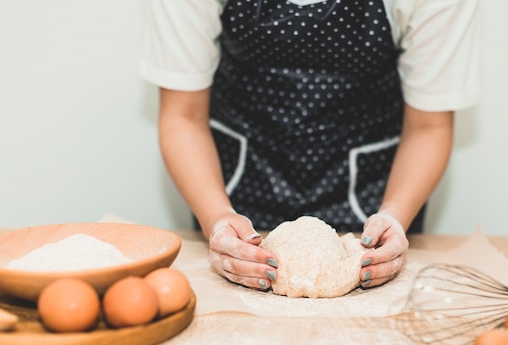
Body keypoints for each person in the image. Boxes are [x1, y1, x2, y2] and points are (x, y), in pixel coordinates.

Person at [140, 0, 479, 291]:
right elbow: (183, 116)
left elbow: (429, 127)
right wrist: (217, 217)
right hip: (237, 190)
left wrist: (394, 215)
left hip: (371, 195)